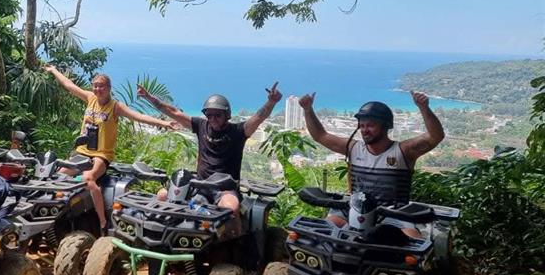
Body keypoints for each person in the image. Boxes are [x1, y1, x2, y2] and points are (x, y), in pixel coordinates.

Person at [44, 66, 178, 232]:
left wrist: (164, 123)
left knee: (89, 178)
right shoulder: (90, 97)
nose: (97, 89)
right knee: (58, 175)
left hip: (101, 155)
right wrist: (53, 70)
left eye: (101, 86)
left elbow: (139, 117)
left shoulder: (115, 107)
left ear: (108, 88)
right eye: (95, 85)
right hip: (82, 152)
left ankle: (102, 221)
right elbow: (69, 85)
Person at [137, 83, 282, 229]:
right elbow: (173, 112)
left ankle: (237, 241)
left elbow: (258, 117)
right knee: (162, 195)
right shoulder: (201, 126)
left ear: (227, 115)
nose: (213, 119)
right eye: (209, 114)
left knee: (231, 207)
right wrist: (149, 98)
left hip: (225, 188)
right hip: (200, 185)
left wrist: (271, 102)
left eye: (218, 115)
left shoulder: (238, 131)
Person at [298, 92, 445, 235]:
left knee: (412, 239)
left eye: (370, 126)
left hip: (393, 213)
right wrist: (308, 110)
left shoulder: (404, 151)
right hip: (354, 209)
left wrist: (424, 108)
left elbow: (435, 136)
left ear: (386, 126)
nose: (364, 130)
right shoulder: (353, 148)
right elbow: (320, 135)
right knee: (325, 230)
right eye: (361, 126)